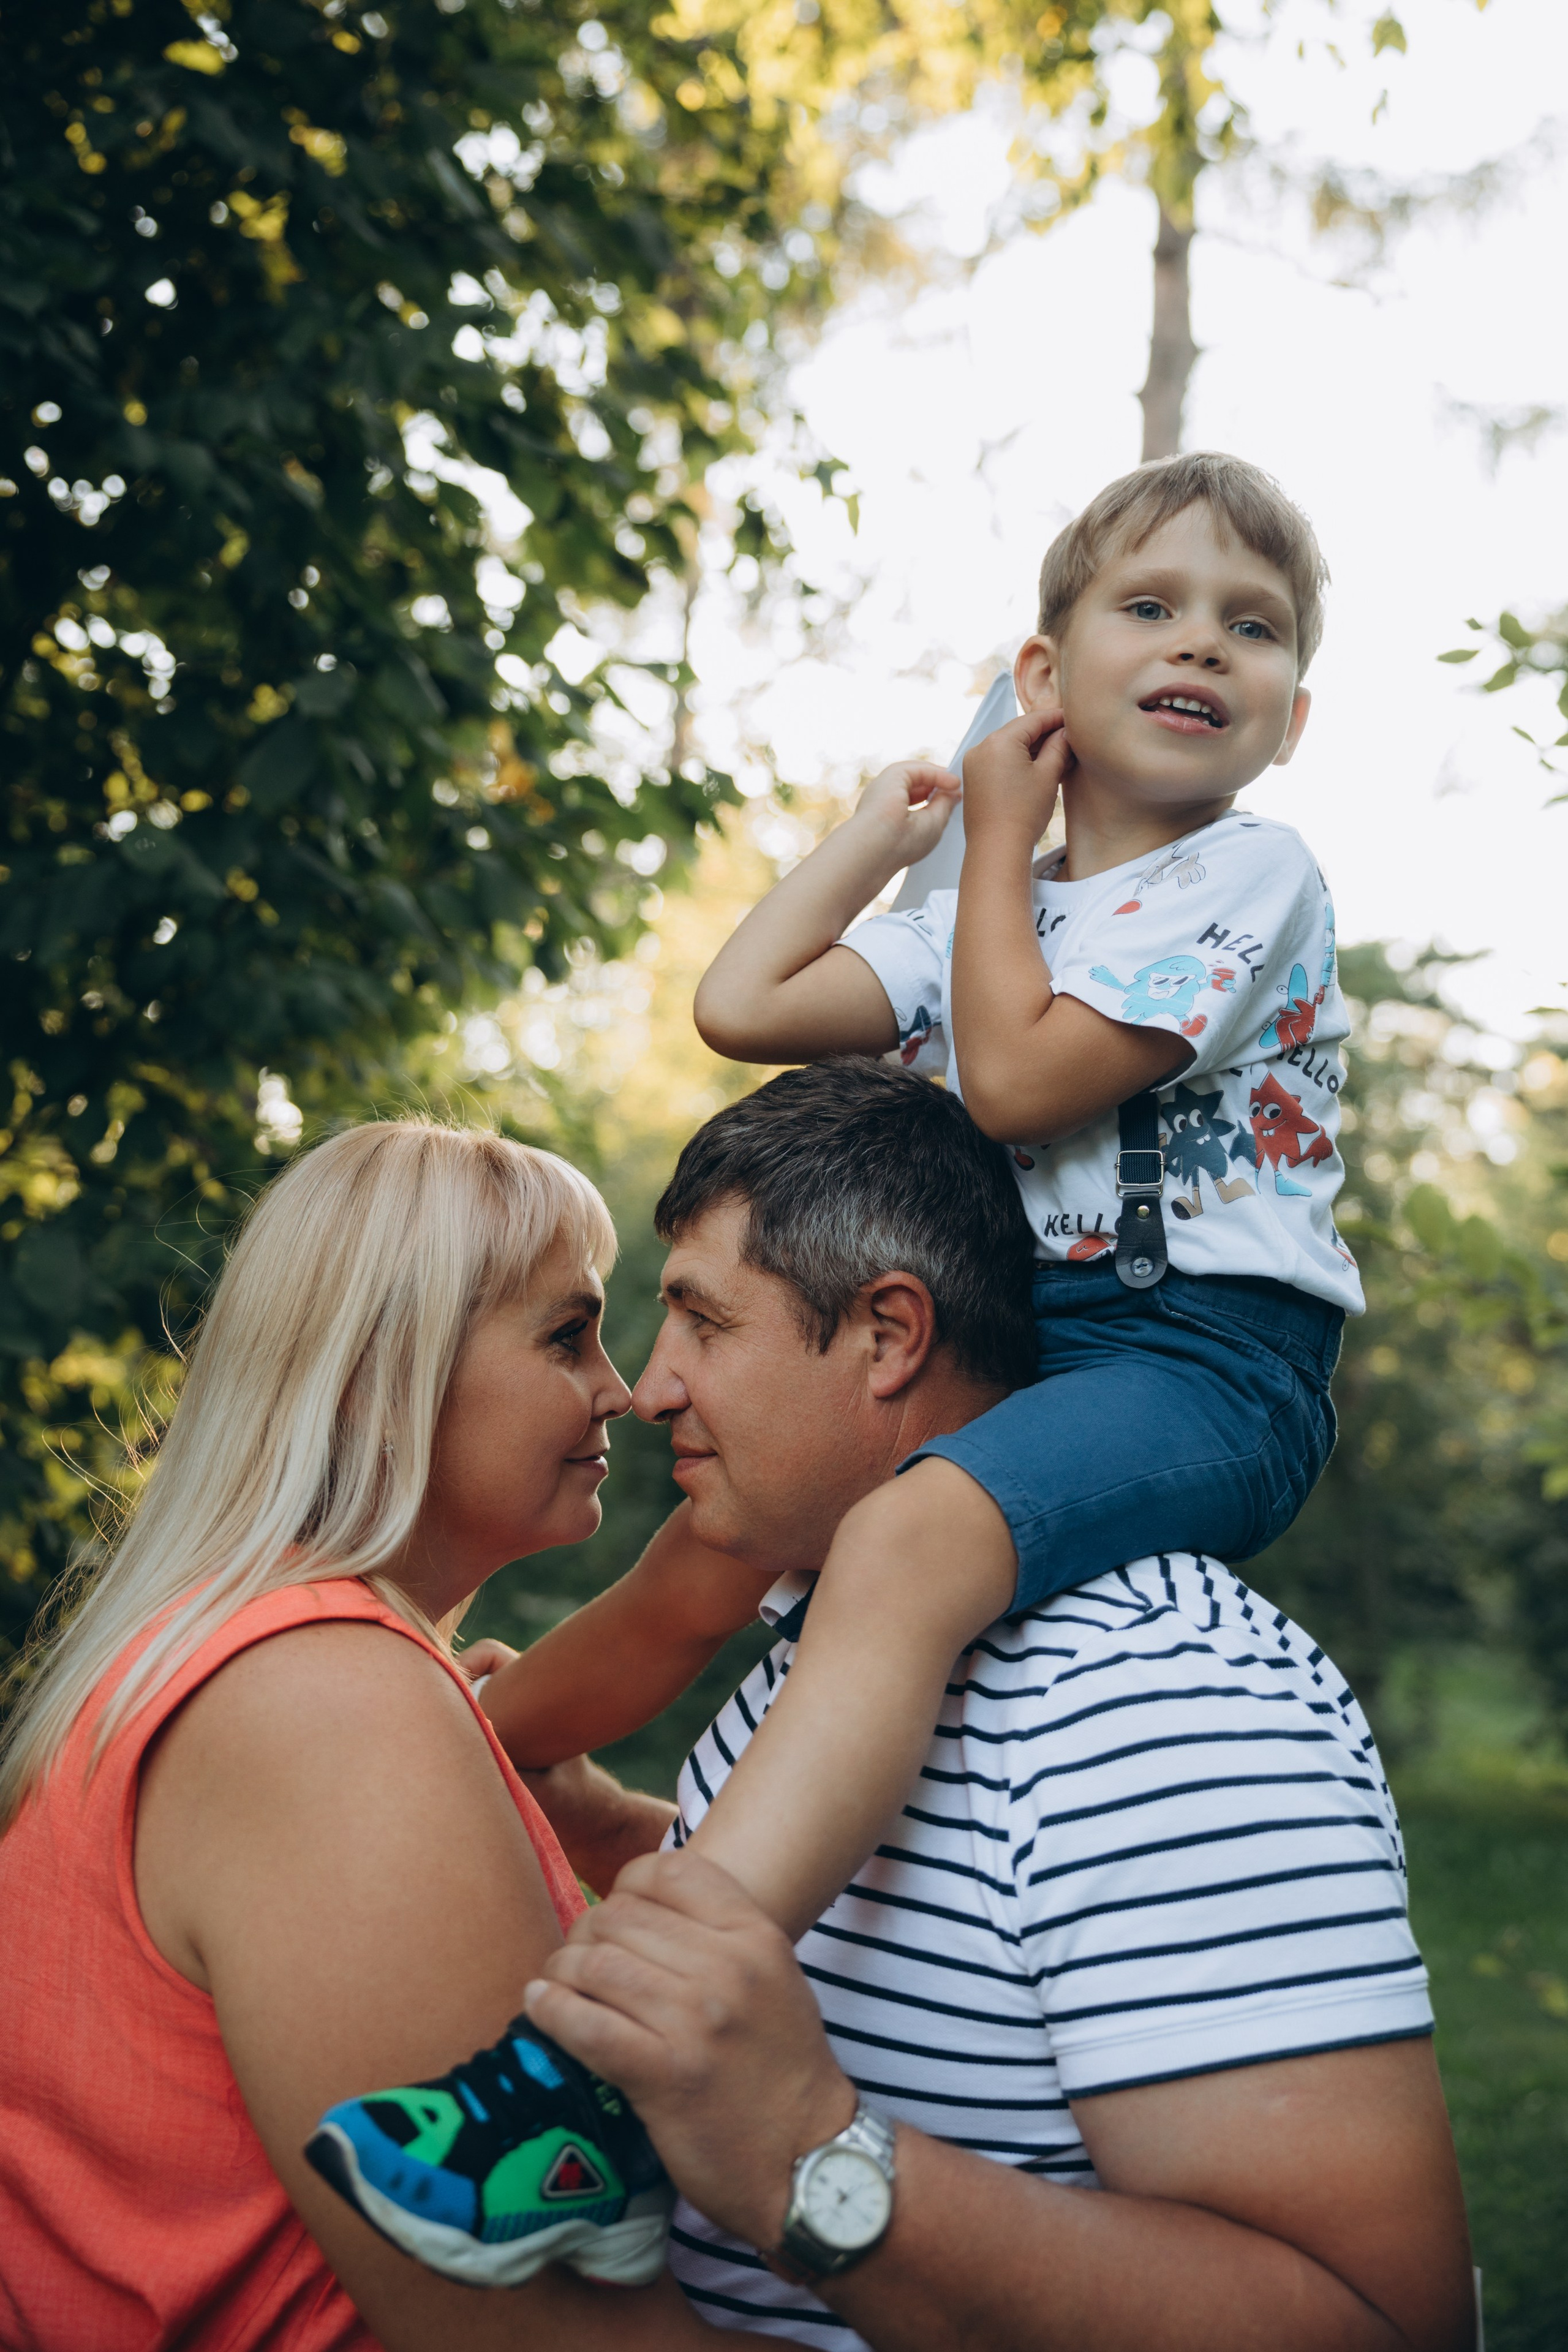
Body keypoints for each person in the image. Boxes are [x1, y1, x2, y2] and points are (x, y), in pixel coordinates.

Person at [322, 454, 1379, 2283]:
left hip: (1209, 1357)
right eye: (1150, 605)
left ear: (1291, 713)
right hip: (1046, 1347)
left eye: (1253, 624)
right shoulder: (984, 901)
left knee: (894, 1550)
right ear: (1041, 674)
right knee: (716, 1561)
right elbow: (742, 1003)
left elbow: (1030, 1073)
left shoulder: (1248, 875)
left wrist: (985, 850)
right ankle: (444, 1745)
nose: (1203, 639)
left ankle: (584, 2089)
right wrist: (895, 833)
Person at [325, 1065, 1472, 2352]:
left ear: (886, 1334)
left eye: (701, 1322)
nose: (650, 1388)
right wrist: (627, 1839)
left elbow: (1381, 2326)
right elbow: (929, 1959)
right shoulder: (825, 1656)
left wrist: (804, 2158)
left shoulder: (1148, 1697)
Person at [0, 1119, 812, 2352]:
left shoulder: (284, 1658)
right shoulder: (324, 1700)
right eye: (564, 1334)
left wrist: (595, 1829)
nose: (619, 1388)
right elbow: (529, 2337)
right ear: (386, 1378)